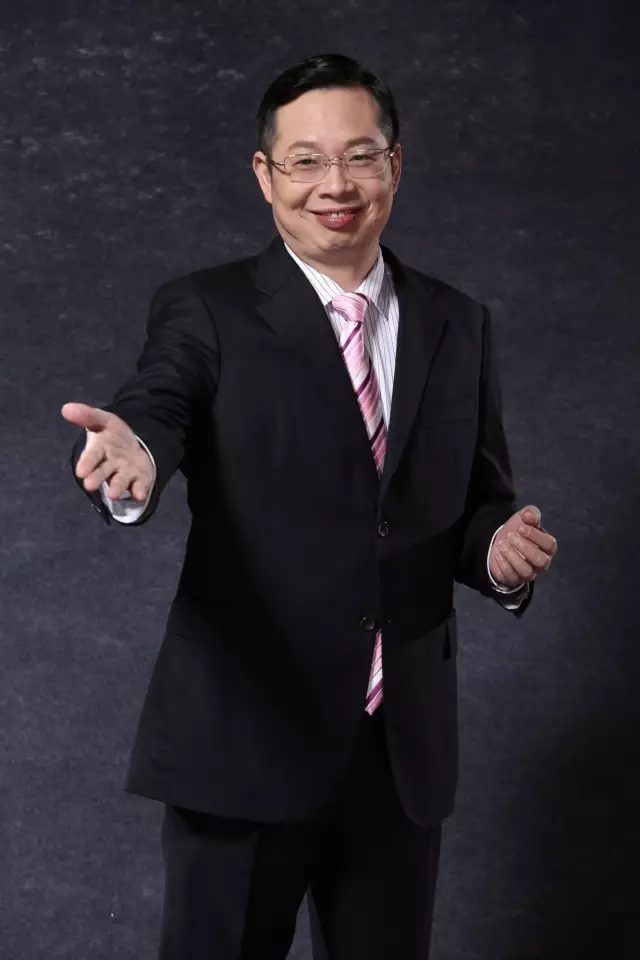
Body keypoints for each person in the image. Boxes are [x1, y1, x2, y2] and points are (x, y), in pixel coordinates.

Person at [62, 54, 557, 960]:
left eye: (361, 156)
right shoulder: (208, 310)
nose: (337, 184)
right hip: (245, 737)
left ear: (394, 165)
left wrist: (496, 552)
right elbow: (158, 404)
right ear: (266, 175)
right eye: (306, 161)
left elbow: (473, 502)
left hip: (398, 751)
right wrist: (134, 452)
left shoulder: (458, 321)